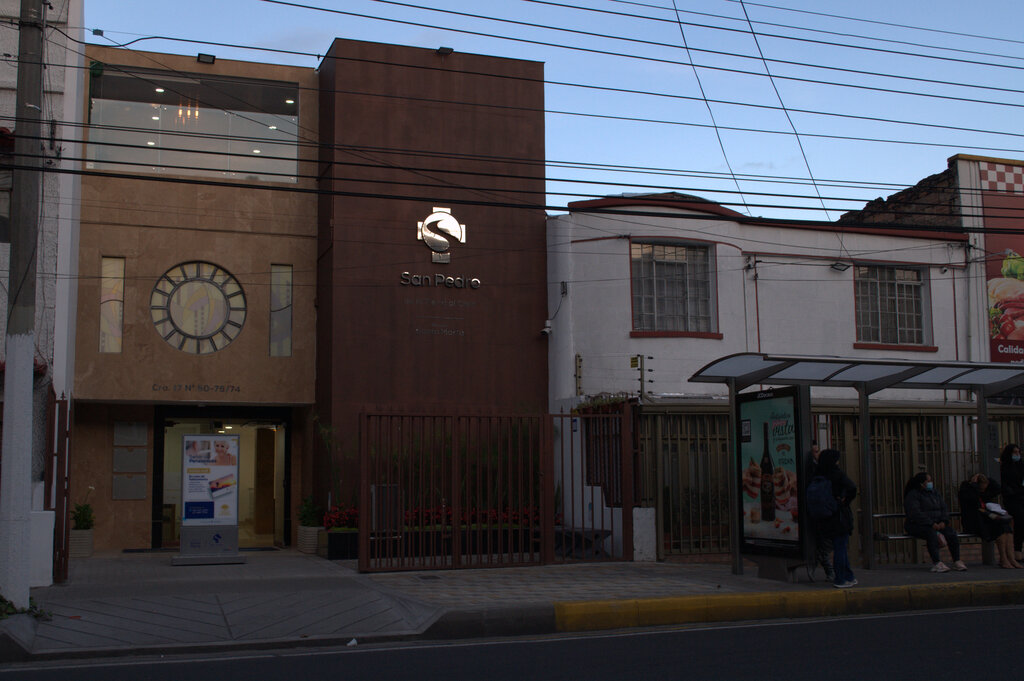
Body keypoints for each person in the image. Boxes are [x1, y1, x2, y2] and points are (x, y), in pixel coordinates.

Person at [903, 471, 967, 572]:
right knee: (931, 534)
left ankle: (957, 561)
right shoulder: (913, 495)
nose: (930, 483)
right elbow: (915, 513)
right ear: (921, 483)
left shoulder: (935, 493)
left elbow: (944, 508)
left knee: (951, 534)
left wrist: (944, 521)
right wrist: (931, 523)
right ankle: (937, 562)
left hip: (937, 523)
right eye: (928, 481)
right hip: (917, 525)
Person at [813, 448, 857, 588]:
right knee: (840, 547)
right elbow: (852, 487)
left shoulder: (817, 474)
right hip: (838, 515)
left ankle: (849, 576)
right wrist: (845, 501)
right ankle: (840, 579)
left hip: (824, 516)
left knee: (840, 546)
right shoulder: (837, 474)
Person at [959, 473, 1020, 569]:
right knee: (1000, 529)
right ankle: (1003, 559)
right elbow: (973, 499)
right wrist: (974, 485)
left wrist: (986, 478)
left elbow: (997, 488)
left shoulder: (983, 492)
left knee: (1006, 528)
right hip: (974, 523)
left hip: (985, 521)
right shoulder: (966, 491)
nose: (983, 490)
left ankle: (1011, 558)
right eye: (982, 488)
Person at [804, 441, 834, 581]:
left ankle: (821, 568)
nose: (818, 454)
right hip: (819, 512)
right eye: (815, 451)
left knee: (822, 543)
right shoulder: (814, 470)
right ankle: (827, 570)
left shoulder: (821, 470)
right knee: (821, 543)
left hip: (820, 512)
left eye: (818, 451)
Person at [999, 443, 1024, 563]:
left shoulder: (1020, 465)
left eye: (1018, 452)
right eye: (1015, 452)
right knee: (1019, 521)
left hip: (1021, 497)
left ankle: (1018, 550)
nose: (1017, 455)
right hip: (1012, 499)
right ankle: (1016, 551)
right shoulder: (1004, 467)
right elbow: (1005, 485)